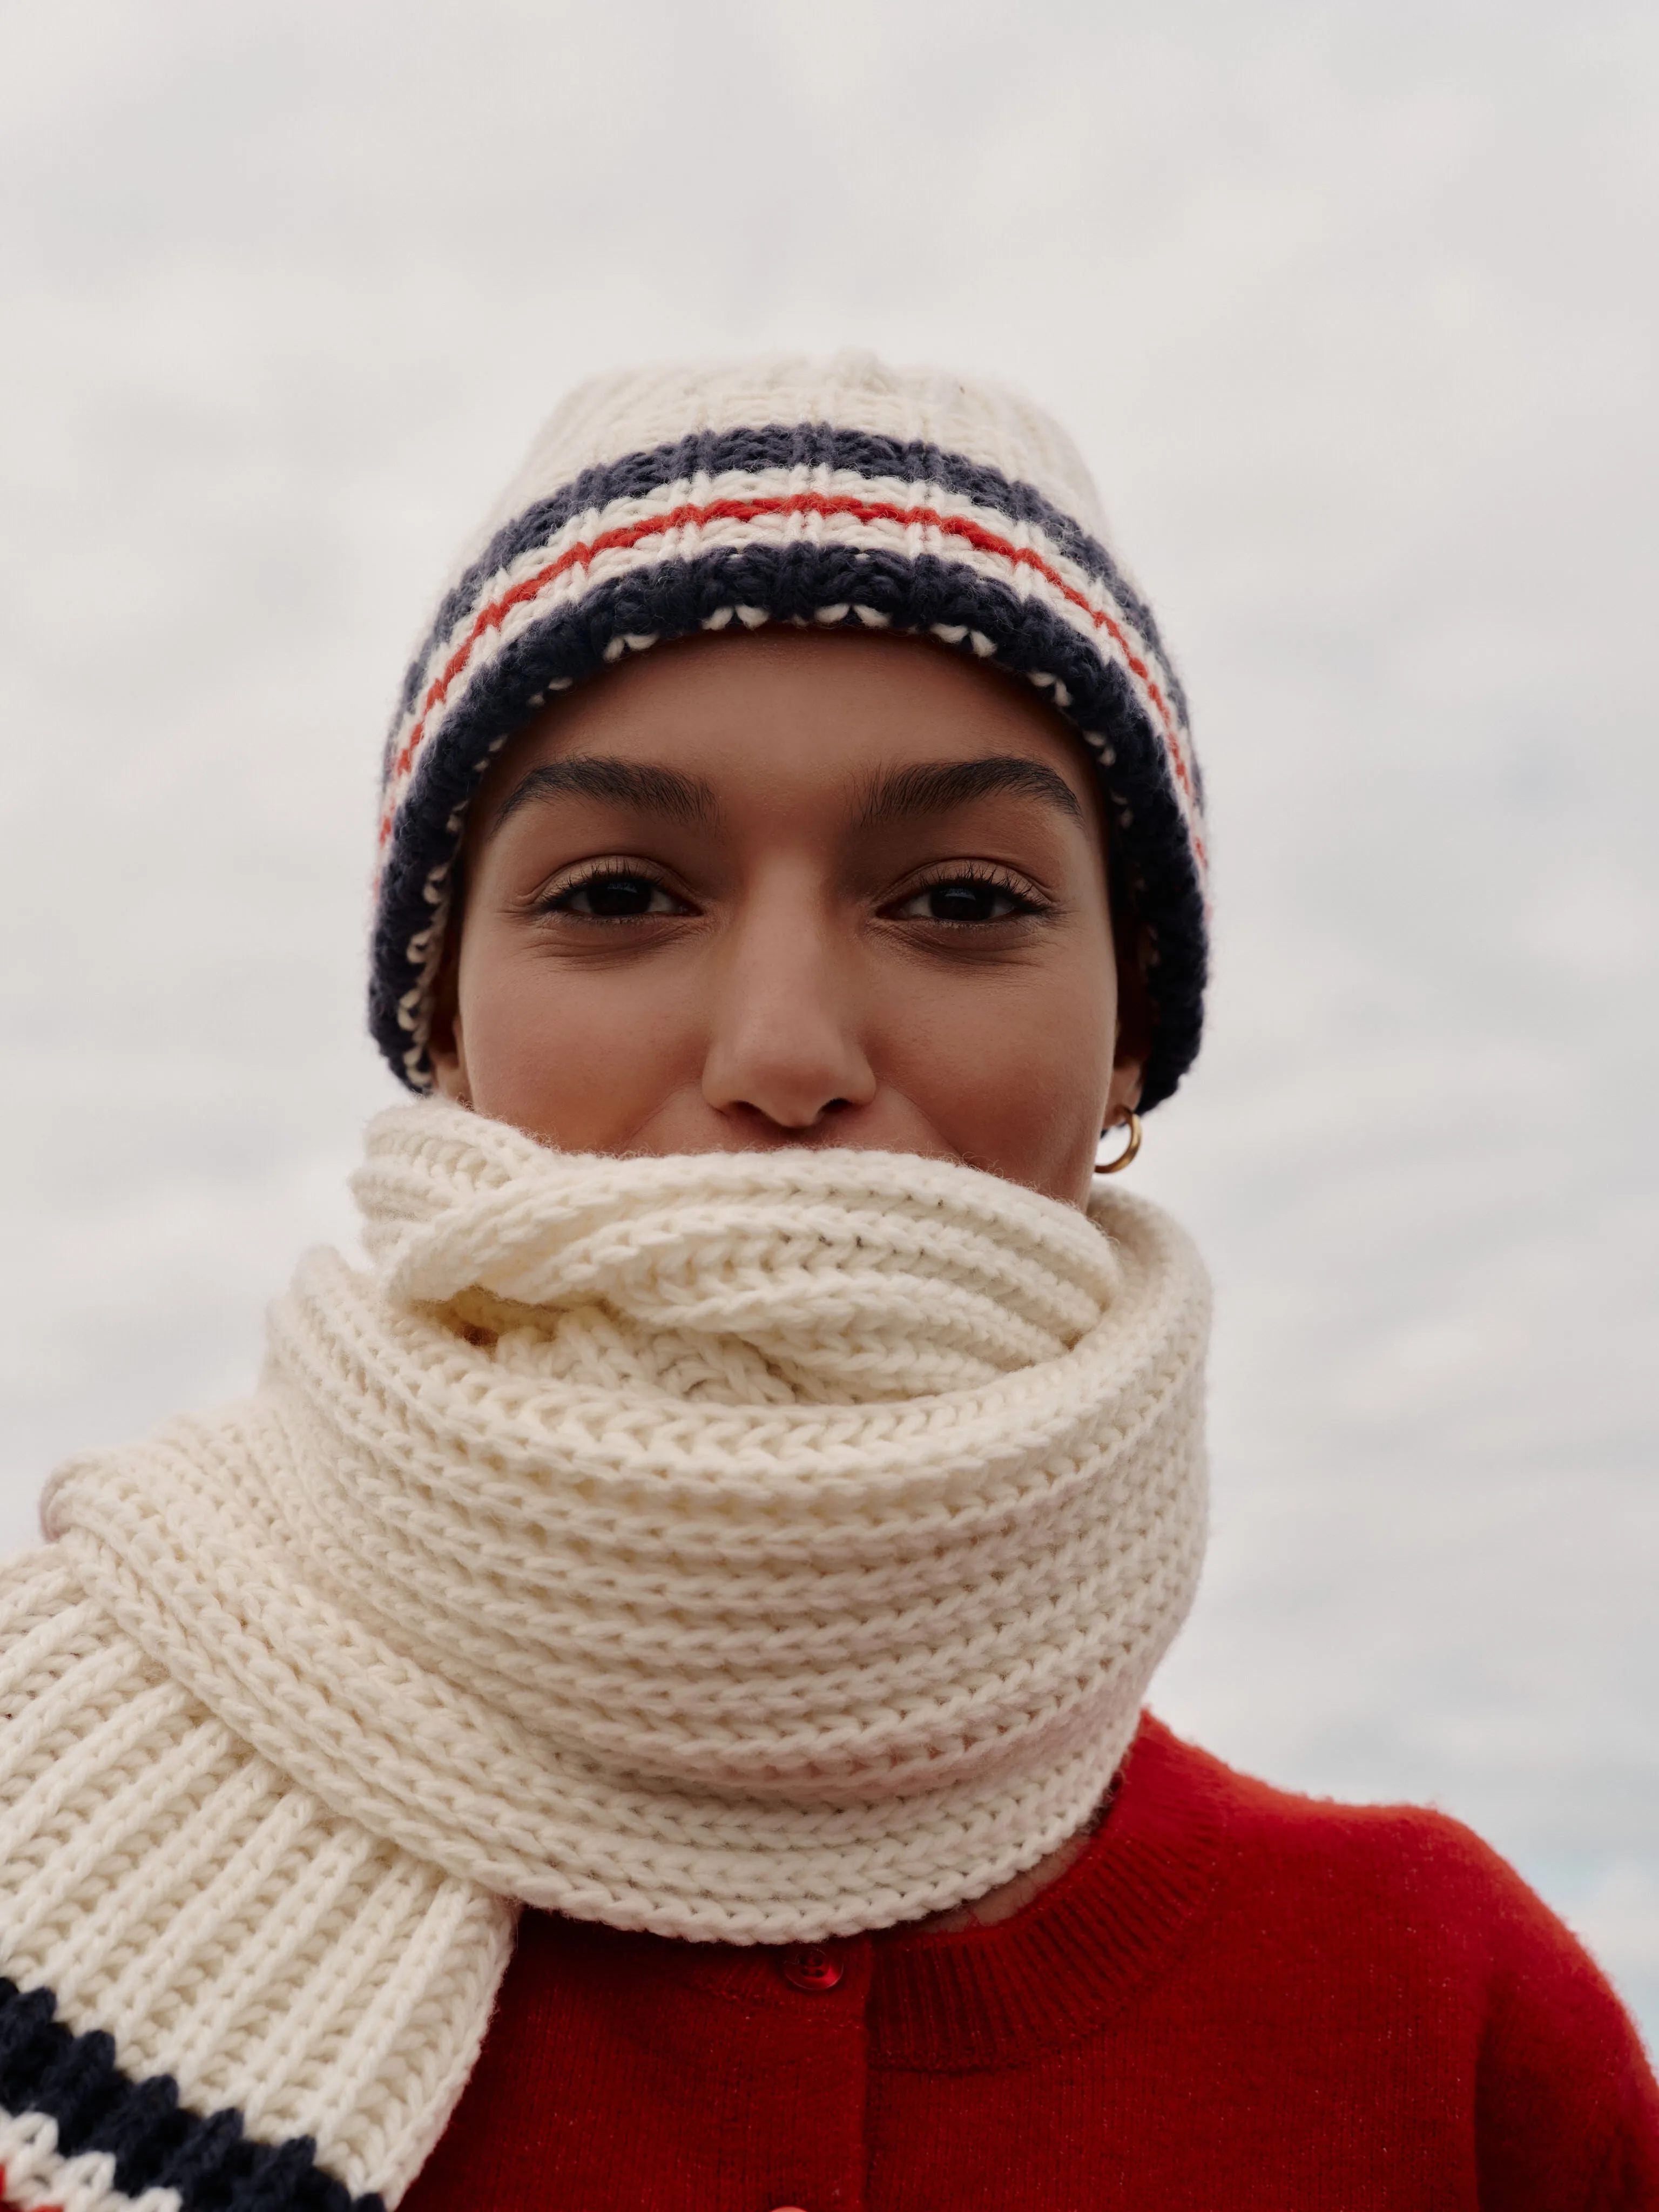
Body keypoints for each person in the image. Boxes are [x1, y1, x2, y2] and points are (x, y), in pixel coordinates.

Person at [0, 355, 1653, 2212]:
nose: (785, 1051)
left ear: (1131, 1050)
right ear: (443, 1030)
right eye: (620, 896)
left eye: (959, 902)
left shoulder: (1443, 2024)